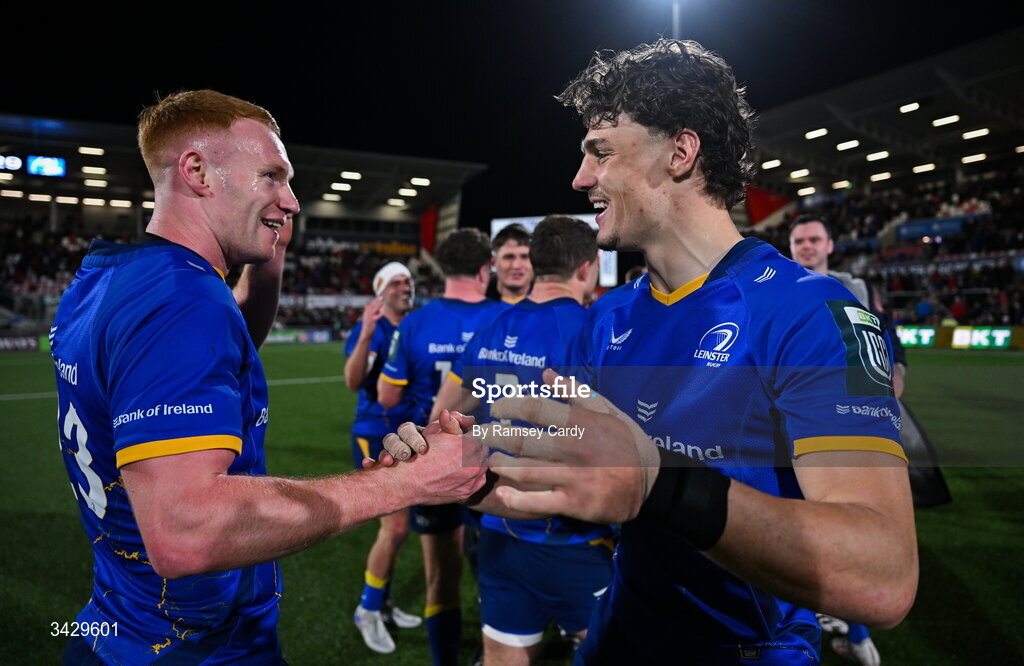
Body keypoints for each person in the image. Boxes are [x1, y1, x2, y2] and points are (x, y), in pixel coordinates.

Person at [411, 40, 917, 664]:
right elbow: (589, 477)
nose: (579, 179)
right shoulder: (610, 316)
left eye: (600, 153)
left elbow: (885, 574)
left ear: (681, 151)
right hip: (617, 633)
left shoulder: (812, 313)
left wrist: (661, 485)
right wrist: (467, 470)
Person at [49, 89, 487, 665]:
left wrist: (265, 261)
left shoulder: (104, 280)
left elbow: (203, 362)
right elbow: (186, 531)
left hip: (118, 624)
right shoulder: (184, 301)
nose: (293, 200)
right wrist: (408, 483)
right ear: (198, 171)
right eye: (272, 177)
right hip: (197, 647)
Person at [433, 216, 611, 665]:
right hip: (572, 534)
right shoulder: (591, 329)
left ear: (534, 264)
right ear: (588, 267)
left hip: (499, 526)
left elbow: (444, 416)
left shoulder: (494, 326)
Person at [377, 228, 506, 666]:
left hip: (434, 461)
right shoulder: (506, 316)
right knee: (499, 568)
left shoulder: (415, 322)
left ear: (444, 269)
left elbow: (387, 397)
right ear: (485, 269)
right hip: (496, 458)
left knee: (440, 575)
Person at [344, 261, 423, 653]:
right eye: (396, 281)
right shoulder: (371, 329)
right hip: (374, 432)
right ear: (380, 291)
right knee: (395, 528)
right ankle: (368, 608)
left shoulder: (412, 326)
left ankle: (384, 602)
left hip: (406, 432)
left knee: (398, 529)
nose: (405, 286)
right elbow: (352, 381)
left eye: (407, 280)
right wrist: (366, 335)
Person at [488, 223, 533, 304]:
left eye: (524, 257)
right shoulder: (476, 311)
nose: (516, 265)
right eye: (509, 257)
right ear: (494, 262)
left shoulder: (551, 308)